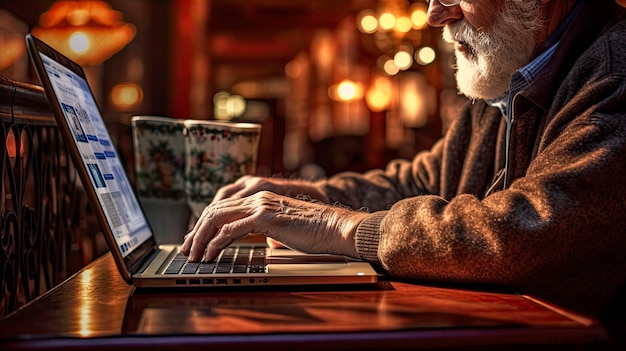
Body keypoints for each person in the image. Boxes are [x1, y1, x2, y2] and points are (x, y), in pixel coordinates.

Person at [182, 0, 626, 321]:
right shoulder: (511, 75)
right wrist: (301, 198)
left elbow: (531, 229)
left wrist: (337, 225)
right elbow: (420, 180)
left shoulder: (615, 67)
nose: (435, 12)